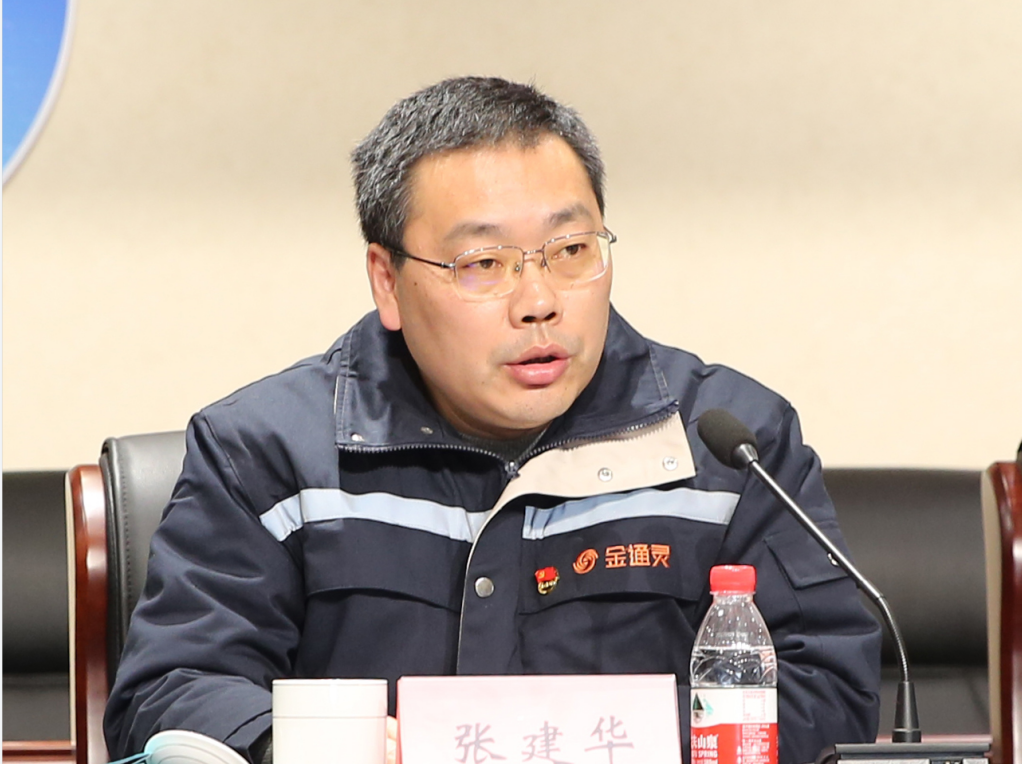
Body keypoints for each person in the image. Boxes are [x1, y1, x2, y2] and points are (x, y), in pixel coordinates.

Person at [105, 76, 881, 764]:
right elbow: (172, 689)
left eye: (571, 249)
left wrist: (589, 744)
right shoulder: (270, 453)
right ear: (387, 281)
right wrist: (321, 746)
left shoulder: (726, 447)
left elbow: (829, 690)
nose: (539, 300)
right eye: (483, 264)